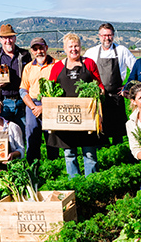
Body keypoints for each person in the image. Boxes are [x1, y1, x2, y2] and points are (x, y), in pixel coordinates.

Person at [48, 33, 105, 178]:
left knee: (89, 153)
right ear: (65, 49)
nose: (74, 49)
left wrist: (99, 92)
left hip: (87, 116)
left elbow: (99, 85)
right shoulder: (57, 67)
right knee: (69, 153)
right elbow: (50, 91)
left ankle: (91, 182)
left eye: (76, 46)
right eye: (70, 46)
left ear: (80, 47)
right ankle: (75, 183)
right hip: (66, 116)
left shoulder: (89, 63)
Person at [84, 23, 137, 144]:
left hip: (117, 97)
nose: (106, 38)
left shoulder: (122, 50)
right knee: (101, 130)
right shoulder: (91, 52)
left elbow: (136, 68)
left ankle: (118, 153)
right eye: (104, 35)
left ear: (113, 35)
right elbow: (83, 71)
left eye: (109, 35)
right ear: (99, 36)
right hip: (98, 98)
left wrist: (128, 85)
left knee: (117, 131)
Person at [0, 24, 31, 139]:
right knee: (3, 135)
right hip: (3, 103)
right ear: (0, 39)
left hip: (21, 101)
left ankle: (21, 156)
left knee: (23, 134)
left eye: (10, 37)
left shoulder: (24, 55)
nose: (8, 41)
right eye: (5, 38)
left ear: (15, 38)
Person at [20, 37, 59, 164]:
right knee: (32, 139)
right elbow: (23, 90)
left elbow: (62, 89)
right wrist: (33, 107)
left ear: (46, 48)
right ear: (32, 51)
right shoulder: (28, 67)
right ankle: (33, 169)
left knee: (52, 139)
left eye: (41, 48)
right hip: (32, 105)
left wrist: (45, 107)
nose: (39, 51)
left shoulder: (57, 65)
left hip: (52, 106)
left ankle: (53, 167)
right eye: (35, 49)